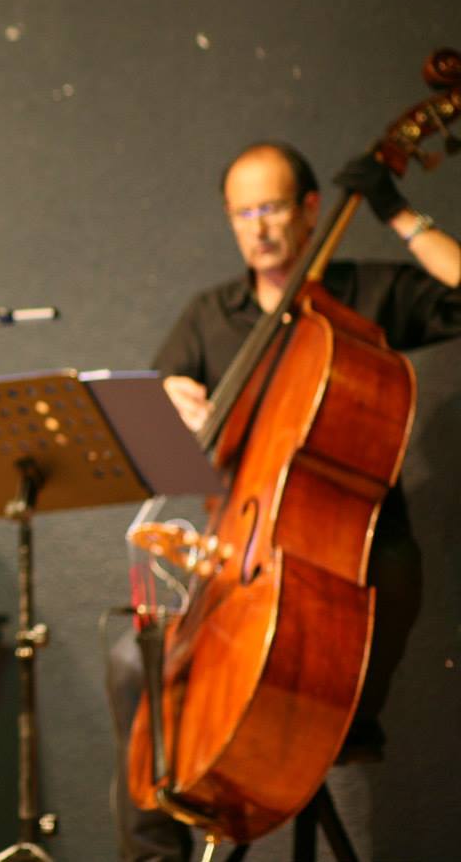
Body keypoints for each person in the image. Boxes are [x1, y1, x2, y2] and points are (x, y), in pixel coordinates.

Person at [110, 141, 461, 861]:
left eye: (271, 208)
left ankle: (326, 730)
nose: (259, 228)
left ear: (309, 209)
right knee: (128, 658)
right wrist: (167, 402)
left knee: (374, 587)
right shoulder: (211, 315)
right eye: (243, 214)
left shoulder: (367, 295)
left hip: (350, 557)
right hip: (241, 558)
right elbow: (147, 426)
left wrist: (399, 213)